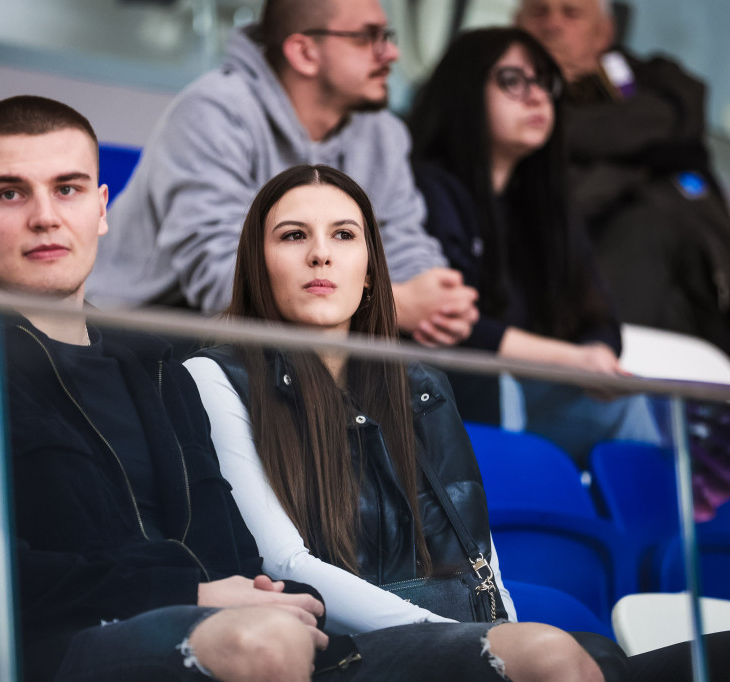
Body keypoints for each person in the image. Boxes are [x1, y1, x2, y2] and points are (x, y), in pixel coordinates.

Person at [0, 95, 609, 682]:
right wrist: (188, 589)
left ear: (103, 207)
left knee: (546, 656)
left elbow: (235, 549)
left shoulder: (157, 363)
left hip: (232, 630)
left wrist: (238, 593)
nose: (46, 216)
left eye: (69, 188)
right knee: (264, 640)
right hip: (51, 657)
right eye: (10, 193)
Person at [184, 163, 620, 679]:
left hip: (444, 637)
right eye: (294, 235)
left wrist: (503, 631)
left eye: (343, 235)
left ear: (369, 271)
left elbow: (478, 553)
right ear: (259, 264)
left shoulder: (421, 383)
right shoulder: (213, 375)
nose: (320, 253)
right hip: (326, 647)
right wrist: (466, 641)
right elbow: (284, 564)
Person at [88, 0, 479, 349]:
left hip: (296, 337)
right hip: (143, 336)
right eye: (367, 38)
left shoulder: (382, 132)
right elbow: (221, 281)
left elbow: (402, 242)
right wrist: (391, 304)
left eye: (387, 36)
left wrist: (437, 300)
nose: (391, 53)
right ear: (304, 52)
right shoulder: (212, 112)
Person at [407, 27, 659, 465]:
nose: (537, 97)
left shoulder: (545, 205)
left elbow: (599, 316)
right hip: (447, 399)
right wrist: (570, 359)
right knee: (494, 386)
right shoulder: (426, 188)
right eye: (512, 81)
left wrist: (597, 354)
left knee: (624, 402)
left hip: (525, 393)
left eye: (545, 82)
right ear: (465, 91)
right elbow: (450, 326)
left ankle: (654, 536)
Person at [515, 0, 730, 353]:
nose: (552, 26)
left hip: (699, 295)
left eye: (570, 13)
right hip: (564, 300)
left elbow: (677, 112)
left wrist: (565, 117)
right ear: (516, 25)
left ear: (604, 32)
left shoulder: (660, 80)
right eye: (539, 13)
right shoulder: (492, 97)